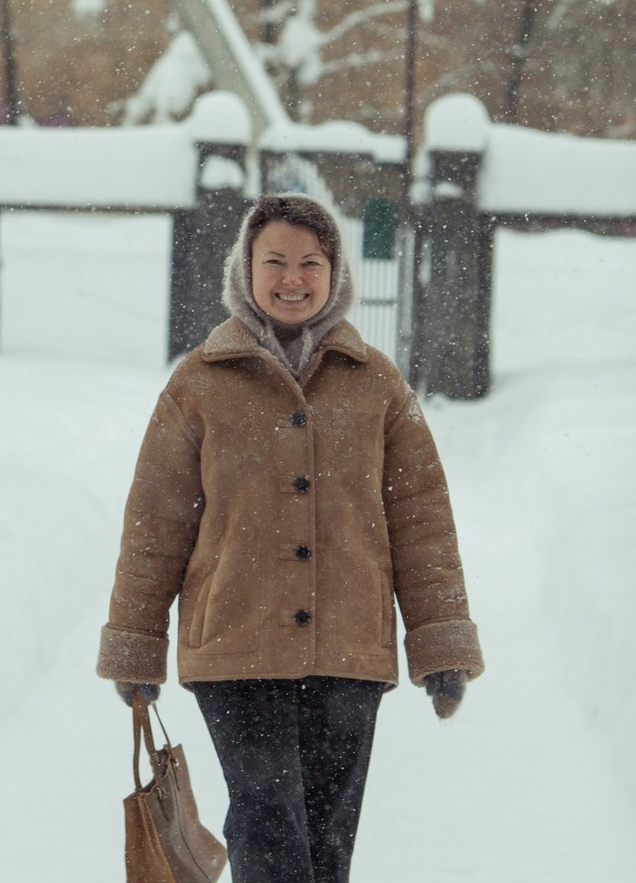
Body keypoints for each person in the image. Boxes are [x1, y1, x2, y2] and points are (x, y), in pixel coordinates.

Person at [96, 193, 483, 883]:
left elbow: (422, 520)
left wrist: (441, 640)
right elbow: (156, 524)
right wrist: (135, 642)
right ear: (245, 268)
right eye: (275, 260)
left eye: (311, 262)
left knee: (328, 838)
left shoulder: (377, 385)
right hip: (236, 647)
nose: (293, 277)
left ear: (335, 274)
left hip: (349, 648)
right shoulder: (198, 383)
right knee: (268, 822)